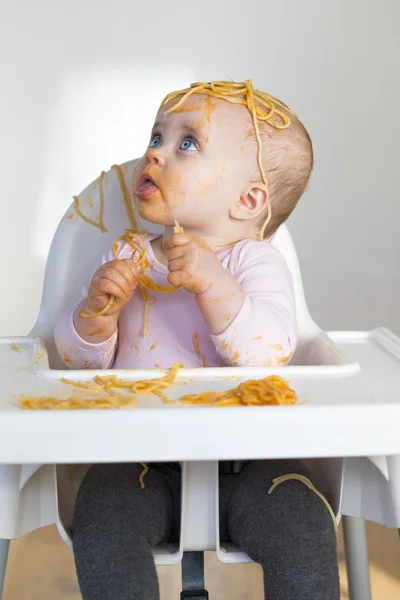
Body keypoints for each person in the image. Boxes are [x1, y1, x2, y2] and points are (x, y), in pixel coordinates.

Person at [54, 81, 340, 599]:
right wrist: (94, 317)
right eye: (156, 136)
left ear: (248, 201)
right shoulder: (126, 258)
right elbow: (74, 362)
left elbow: (269, 350)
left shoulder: (254, 263)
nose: (154, 153)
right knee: (102, 514)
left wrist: (214, 284)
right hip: (139, 461)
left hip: (253, 463)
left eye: (187, 143)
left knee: (303, 519)